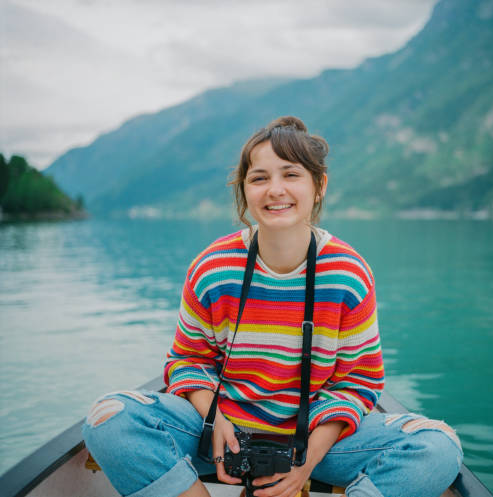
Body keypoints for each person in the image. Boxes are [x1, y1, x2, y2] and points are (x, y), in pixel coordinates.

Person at [83, 116, 463, 497]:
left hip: (316, 439)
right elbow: (186, 361)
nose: (275, 190)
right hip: (221, 434)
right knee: (109, 419)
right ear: (245, 191)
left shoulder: (348, 274)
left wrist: (307, 464)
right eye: (260, 178)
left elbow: (357, 383)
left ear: (319, 186)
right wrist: (215, 420)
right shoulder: (212, 268)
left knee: (437, 446)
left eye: (290, 175)